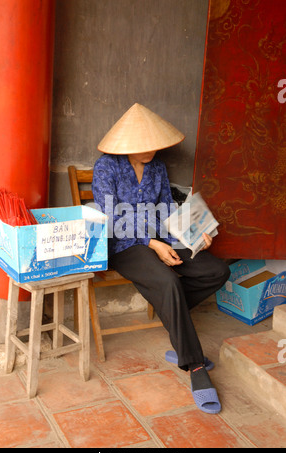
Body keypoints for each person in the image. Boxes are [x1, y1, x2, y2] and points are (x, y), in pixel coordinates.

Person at [92, 103, 230, 414]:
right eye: (144, 146)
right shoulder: (106, 168)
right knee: (167, 281)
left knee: (216, 270)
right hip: (123, 244)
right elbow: (111, 218)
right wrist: (152, 244)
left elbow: (166, 209)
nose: (151, 150)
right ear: (127, 145)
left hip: (160, 237)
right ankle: (195, 366)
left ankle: (174, 320)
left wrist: (193, 235)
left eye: (154, 144)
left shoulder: (157, 167)